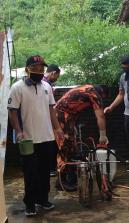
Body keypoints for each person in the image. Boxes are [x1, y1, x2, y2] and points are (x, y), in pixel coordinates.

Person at [7, 55, 64, 217]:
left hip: (47, 138)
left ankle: (43, 199)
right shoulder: (17, 88)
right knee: (30, 173)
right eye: (36, 68)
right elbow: (12, 111)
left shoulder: (47, 86)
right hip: (28, 140)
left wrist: (57, 128)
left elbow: (51, 109)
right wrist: (19, 132)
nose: (39, 71)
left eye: (41, 69)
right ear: (27, 69)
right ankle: (30, 204)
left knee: (45, 172)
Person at [54, 84, 109, 190]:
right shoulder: (94, 94)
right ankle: (62, 182)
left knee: (71, 146)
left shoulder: (87, 88)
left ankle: (71, 177)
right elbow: (100, 116)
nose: (101, 101)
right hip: (62, 115)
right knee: (65, 147)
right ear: (102, 94)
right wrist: (103, 135)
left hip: (65, 115)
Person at [43, 64, 61, 177]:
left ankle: (49, 168)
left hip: (46, 118)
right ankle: (50, 168)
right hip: (46, 119)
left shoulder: (46, 84)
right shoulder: (45, 85)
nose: (56, 79)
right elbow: (50, 106)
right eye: (57, 76)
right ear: (53, 73)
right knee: (51, 143)